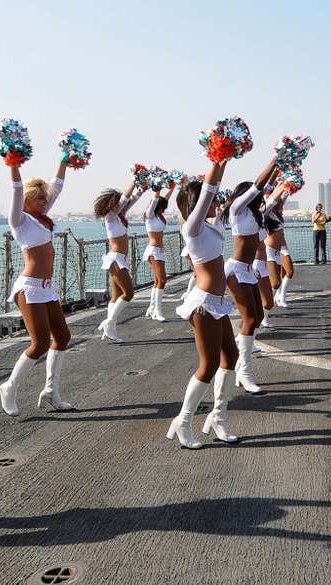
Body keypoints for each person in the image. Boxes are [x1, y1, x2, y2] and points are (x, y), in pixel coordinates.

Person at [169, 159, 241, 448]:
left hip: (216, 302)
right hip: (203, 304)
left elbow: (217, 189)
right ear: (197, 203)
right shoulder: (193, 229)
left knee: (230, 356)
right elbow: (210, 189)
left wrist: (223, 163)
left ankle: (218, 417)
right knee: (208, 364)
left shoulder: (211, 226)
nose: (215, 202)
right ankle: (184, 421)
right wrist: (217, 157)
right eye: (209, 200)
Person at [0, 156, 74, 416]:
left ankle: (51, 390)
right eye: (39, 198)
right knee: (39, 343)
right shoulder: (19, 220)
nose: (45, 200)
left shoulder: (42, 218)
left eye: (45, 198)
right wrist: (13, 162)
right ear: (27, 201)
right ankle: (9, 387)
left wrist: (63, 160)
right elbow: (16, 189)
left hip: (47, 288)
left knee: (62, 337)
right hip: (29, 288)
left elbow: (57, 187)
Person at [224, 158, 279, 396]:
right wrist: (276, 157)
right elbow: (260, 183)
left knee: (256, 318)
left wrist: (283, 168)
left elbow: (271, 190)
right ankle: (243, 373)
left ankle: (239, 358)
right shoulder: (237, 209)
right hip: (236, 270)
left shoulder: (256, 215)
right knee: (248, 320)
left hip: (249, 271)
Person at [96, 178, 142, 343]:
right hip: (115, 259)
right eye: (117, 204)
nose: (120, 205)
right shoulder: (110, 217)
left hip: (121, 259)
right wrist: (135, 179)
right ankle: (108, 323)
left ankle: (110, 329)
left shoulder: (119, 216)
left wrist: (142, 188)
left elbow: (131, 200)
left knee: (115, 297)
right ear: (111, 205)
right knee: (128, 294)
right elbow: (125, 199)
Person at [143, 181, 175, 323]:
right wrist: (157, 188)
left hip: (159, 250)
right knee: (162, 280)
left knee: (158, 280)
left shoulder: (159, 216)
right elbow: (157, 200)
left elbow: (164, 199)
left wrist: (172, 187)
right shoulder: (150, 215)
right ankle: (157, 310)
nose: (164, 209)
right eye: (162, 208)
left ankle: (151, 308)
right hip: (153, 250)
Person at [264, 190, 295, 307]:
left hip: (282, 247)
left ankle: (280, 296)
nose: (280, 201)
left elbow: (284, 196)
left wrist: (288, 186)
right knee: (276, 281)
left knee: (288, 272)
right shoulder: (266, 214)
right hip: (270, 250)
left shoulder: (278, 214)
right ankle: (268, 303)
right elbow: (270, 201)